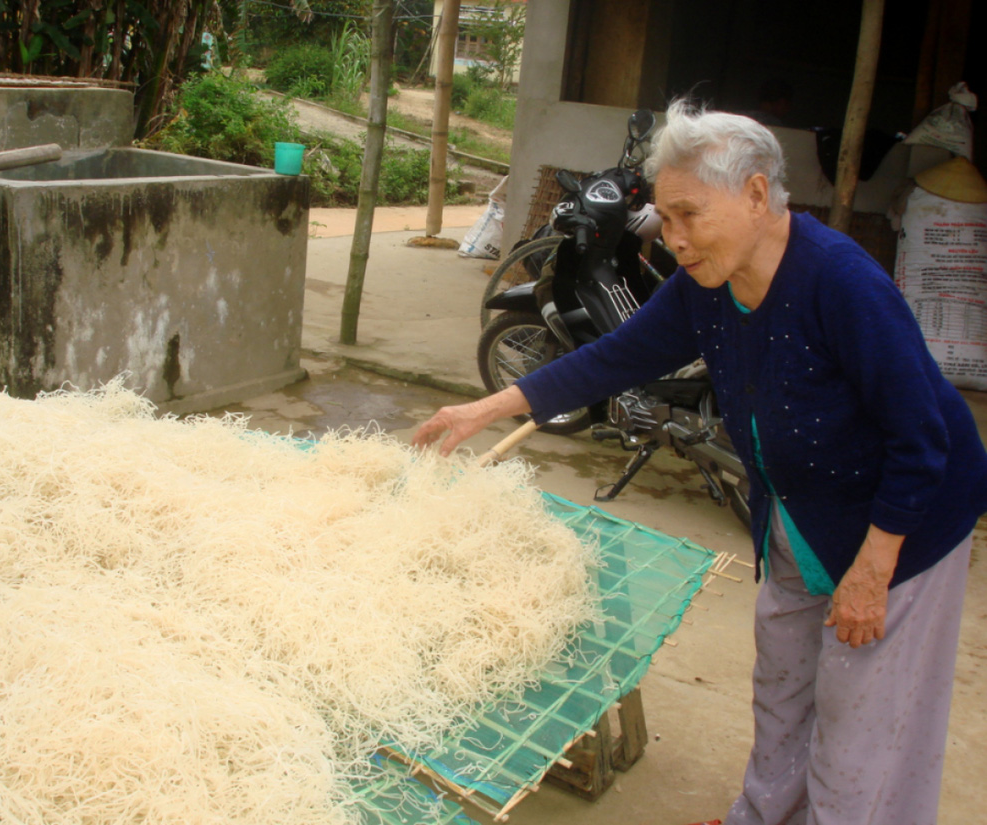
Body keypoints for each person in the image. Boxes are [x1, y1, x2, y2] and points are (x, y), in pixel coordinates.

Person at [412, 100, 987, 825]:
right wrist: (488, 408)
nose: (673, 239)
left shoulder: (843, 284)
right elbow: (615, 357)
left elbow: (923, 439)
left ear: (754, 193)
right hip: (798, 512)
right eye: (664, 218)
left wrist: (873, 573)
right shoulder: (706, 286)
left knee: (864, 720)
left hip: (899, 525)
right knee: (783, 683)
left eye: (688, 215)